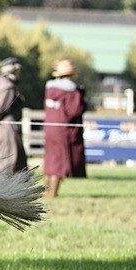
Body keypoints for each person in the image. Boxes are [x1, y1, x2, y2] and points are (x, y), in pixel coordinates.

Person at [43, 59, 87, 197]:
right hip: (63, 131)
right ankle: (52, 194)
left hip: (49, 128)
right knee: (59, 162)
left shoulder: (50, 89)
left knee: (50, 160)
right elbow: (75, 111)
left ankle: (46, 191)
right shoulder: (71, 92)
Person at [0, 56, 27, 175]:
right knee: (9, 164)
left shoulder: (0, 83)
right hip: (6, 131)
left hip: (2, 129)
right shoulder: (7, 87)